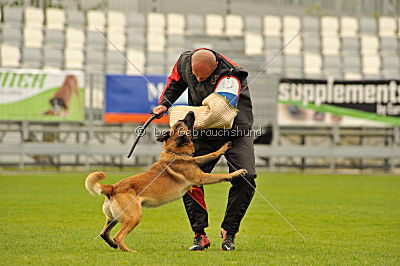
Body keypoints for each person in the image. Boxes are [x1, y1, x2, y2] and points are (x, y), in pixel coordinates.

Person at [152, 48, 256, 251]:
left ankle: (229, 231)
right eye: (195, 75)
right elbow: (175, 83)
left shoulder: (231, 76)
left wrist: (180, 115)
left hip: (235, 130)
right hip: (204, 131)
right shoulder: (184, 61)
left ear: (215, 67)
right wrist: (164, 105)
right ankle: (200, 234)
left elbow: (217, 114)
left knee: (247, 177)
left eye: (203, 77)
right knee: (188, 178)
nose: (198, 80)